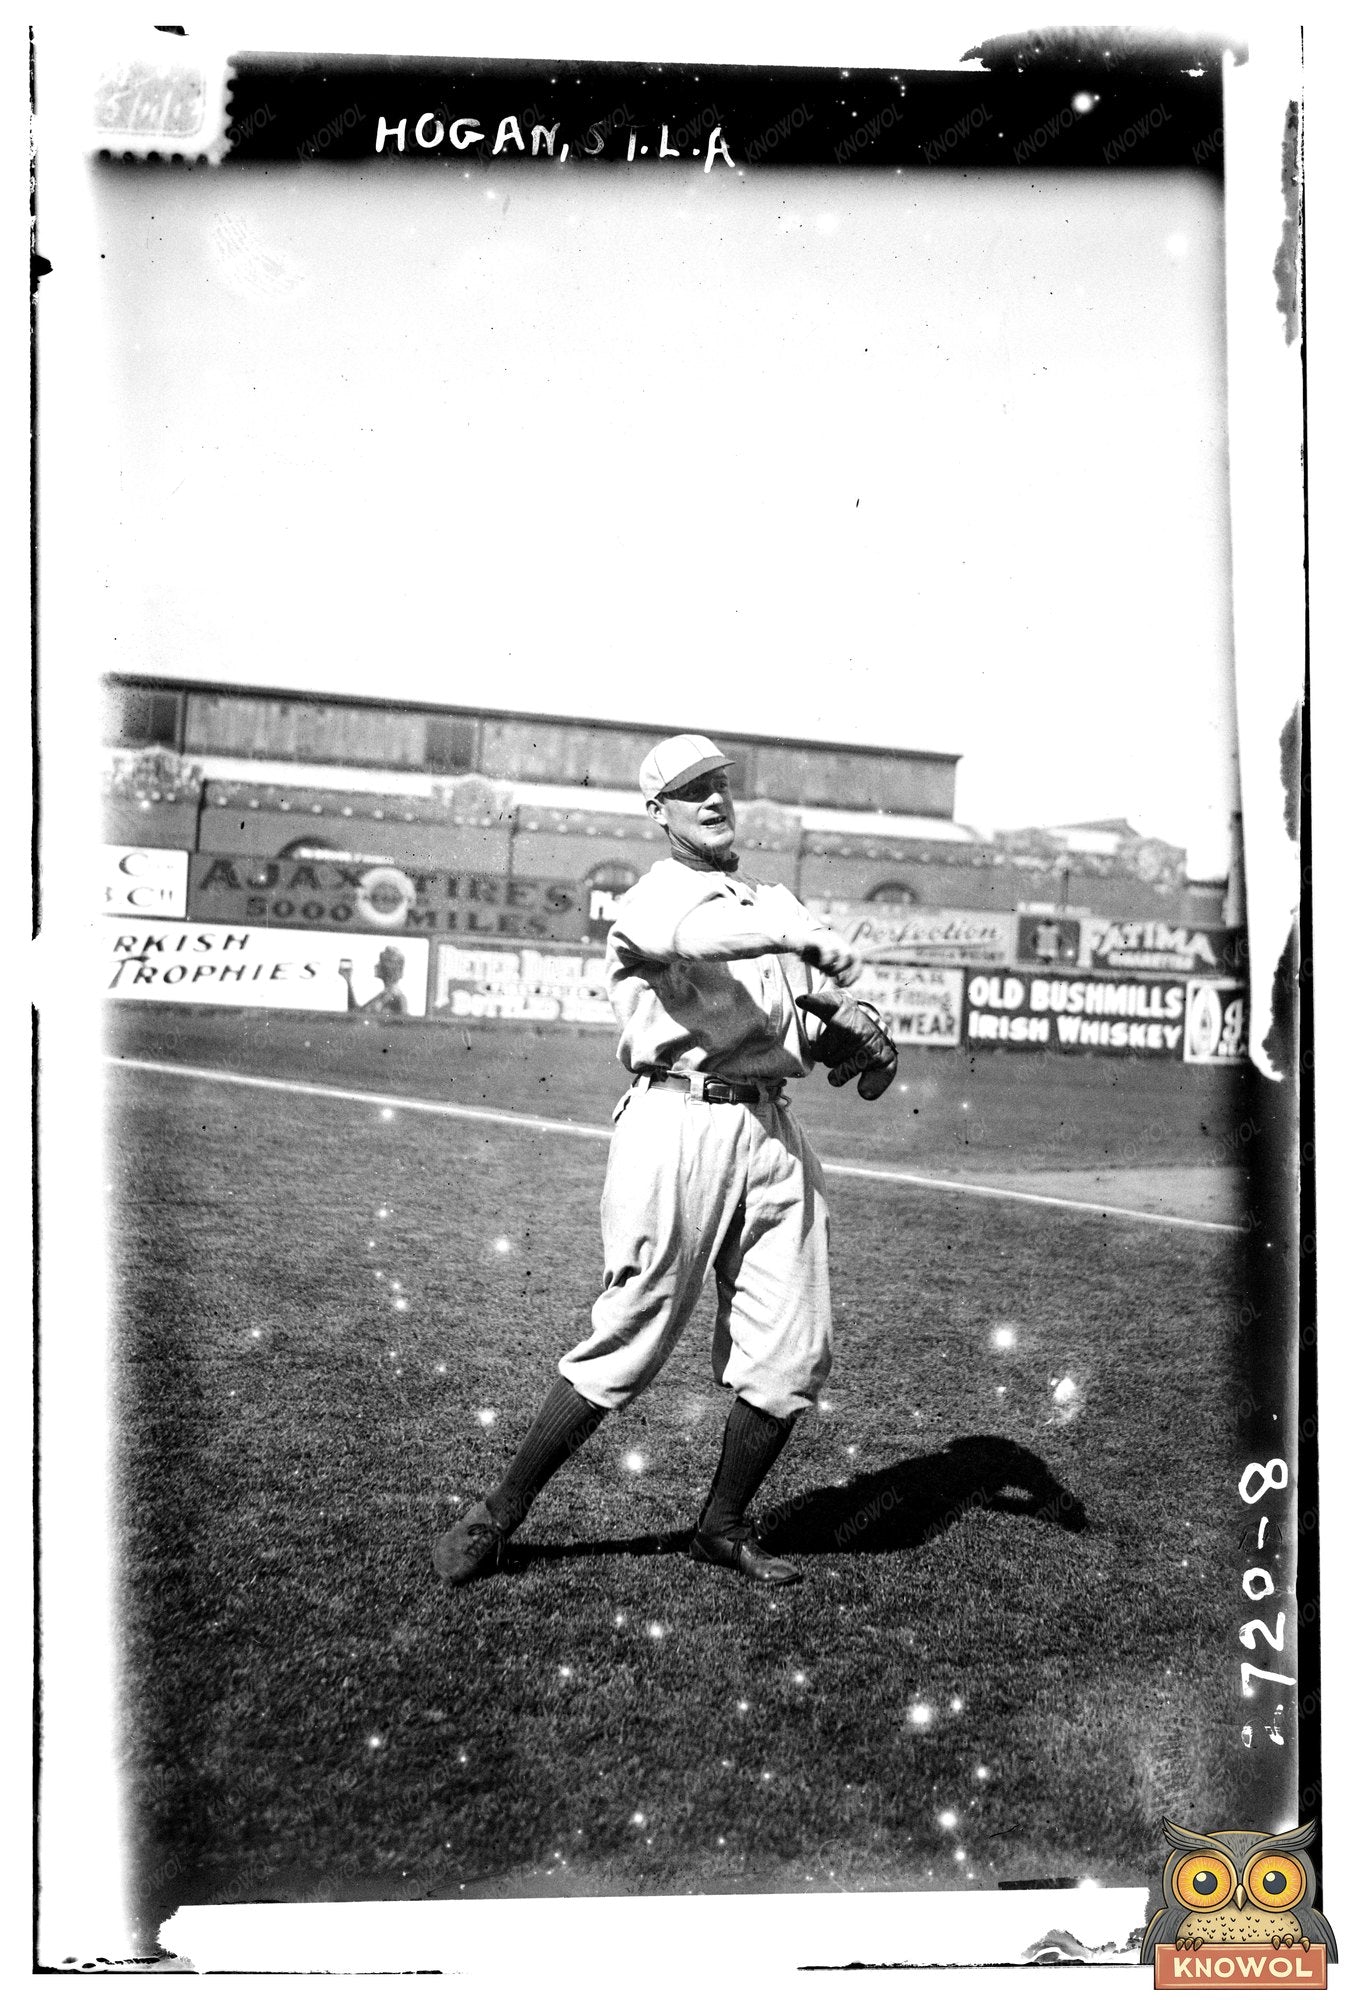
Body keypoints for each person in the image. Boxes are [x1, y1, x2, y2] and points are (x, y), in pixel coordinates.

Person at [434, 733, 898, 1589]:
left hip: (770, 1130)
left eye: (720, 785)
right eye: (691, 792)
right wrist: (804, 930)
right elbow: (711, 936)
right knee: (632, 1336)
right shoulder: (656, 897)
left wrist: (852, 1029)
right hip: (676, 1123)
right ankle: (498, 1514)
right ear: (660, 814)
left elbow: (798, 1017)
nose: (714, 800)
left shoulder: (766, 899)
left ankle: (719, 1529)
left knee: (793, 1350)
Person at [338, 944, 408, 1015]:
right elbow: (355, 1013)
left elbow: (357, 1016)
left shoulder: (395, 997)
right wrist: (348, 980)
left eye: (381, 961)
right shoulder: (385, 995)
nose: (377, 965)